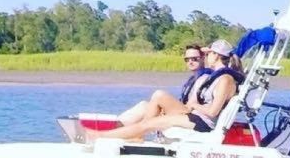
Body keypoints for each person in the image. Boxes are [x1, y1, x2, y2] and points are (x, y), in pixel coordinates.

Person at [85, 39, 245, 142]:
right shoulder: (220, 77)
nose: (206, 57)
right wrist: (193, 106)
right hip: (195, 117)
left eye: (208, 54)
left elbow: (212, 111)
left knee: (150, 122)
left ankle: (100, 137)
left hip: (202, 123)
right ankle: (126, 135)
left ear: (216, 56)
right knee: (150, 118)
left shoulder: (226, 80)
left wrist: (194, 105)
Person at [116, 44, 212, 125]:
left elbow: (190, 107)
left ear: (203, 58)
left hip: (190, 116)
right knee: (144, 105)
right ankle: (118, 126)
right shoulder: (194, 78)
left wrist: (208, 51)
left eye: (194, 59)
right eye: (187, 59)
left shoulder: (205, 77)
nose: (190, 62)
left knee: (159, 95)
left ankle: (139, 131)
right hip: (184, 110)